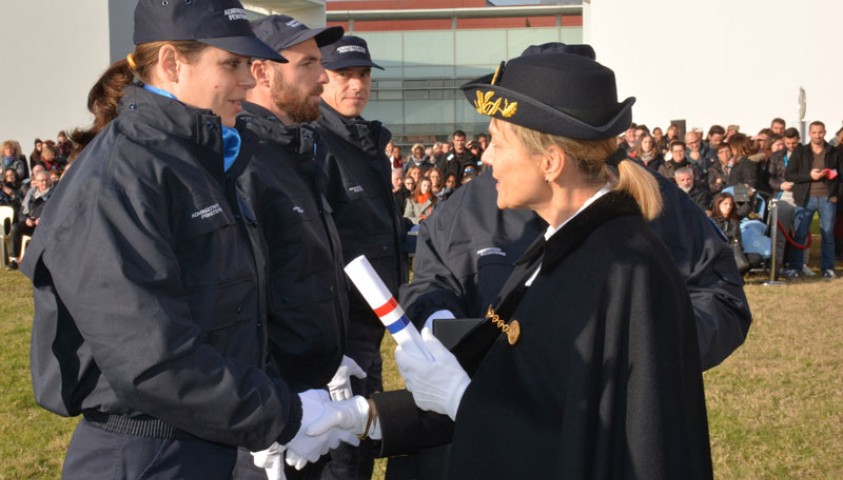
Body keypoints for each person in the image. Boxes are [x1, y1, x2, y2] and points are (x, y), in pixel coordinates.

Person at [310, 49, 713, 479]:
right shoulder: (561, 250)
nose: (485, 158)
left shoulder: (618, 270)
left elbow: (595, 445)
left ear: (551, 162)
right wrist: (366, 415)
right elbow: (527, 393)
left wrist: (461, 401)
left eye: (499, 144)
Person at [22, 2, 356, 478]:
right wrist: (283, 416)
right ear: (173, 64)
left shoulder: (199, 162)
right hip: (146, 453)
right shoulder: (121, 176)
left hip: (205, 442)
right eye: (232, 64)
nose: (248, 79)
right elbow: (150, 358)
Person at [233, 14, 355, 479]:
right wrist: (270, 408)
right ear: (262, 72)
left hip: (314, 393)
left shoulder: (299, 152)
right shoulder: (244, 162)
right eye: (307, 64)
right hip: (273, 412)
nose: (323, 77)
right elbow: (239, 298)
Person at [315, 34, 408, 479]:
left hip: (372, 326)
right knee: (344, 454)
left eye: (364, 75)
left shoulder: (366, 141)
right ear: (321, 79)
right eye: (344, 75)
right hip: (339, 327)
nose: (357, 85)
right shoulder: (315, 143)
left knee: (367, 440)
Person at [785, 120, 841, 278]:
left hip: (827, 197)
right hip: (805, 197)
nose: (817, 135)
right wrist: (809, 176)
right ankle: (795, 267)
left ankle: (828, 268)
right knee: (800, 234)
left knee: (828, 234)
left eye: (820, 132)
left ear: (825, 132)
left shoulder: (834, 152)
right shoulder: (800, 152)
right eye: (814, 132)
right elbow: (790, 175)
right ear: (809, 133)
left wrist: (835, 194)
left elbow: (841, 176)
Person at [6, 169, 52, 270]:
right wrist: (26, 220)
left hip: (46, 225)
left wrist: (43, 220)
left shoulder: (55, 194)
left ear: (50, 180)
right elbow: (22, 212)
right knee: (15, 227)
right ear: (36, 182)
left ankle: (40, 262)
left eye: (46, 180)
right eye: (42, 181)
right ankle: (14, 260)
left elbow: (56, 212)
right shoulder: (31, 193)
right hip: (31, 223)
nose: (44, 183)